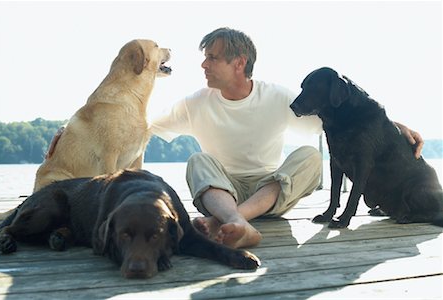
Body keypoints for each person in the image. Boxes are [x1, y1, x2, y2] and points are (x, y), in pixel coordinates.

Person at [149, 27, 424, 249]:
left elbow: (341, 119)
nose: (203, 64)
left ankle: (224, 220)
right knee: (198, 160)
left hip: (270, 191)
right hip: (221, 191)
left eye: (212, 57)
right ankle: (235, 221)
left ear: (239, 63)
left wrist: (394, 125)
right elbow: (145, 127)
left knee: (311, 157)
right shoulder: (194, 103)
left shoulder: (277, 97)